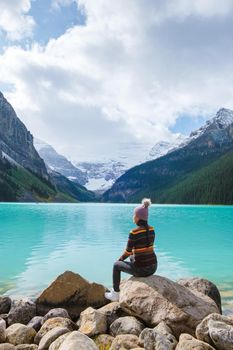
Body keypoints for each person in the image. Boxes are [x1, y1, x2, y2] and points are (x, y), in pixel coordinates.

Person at [105, 198, 157, 302]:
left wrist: (120, 259)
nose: (133, 217)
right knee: (133, 255)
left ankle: (115, 294)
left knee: (116, 265)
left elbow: (127, 252)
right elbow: (143, 249)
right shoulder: (152, 229)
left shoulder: (134, 232)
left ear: (138, 217)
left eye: (134, 215)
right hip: (153, 267)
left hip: (142, 270)